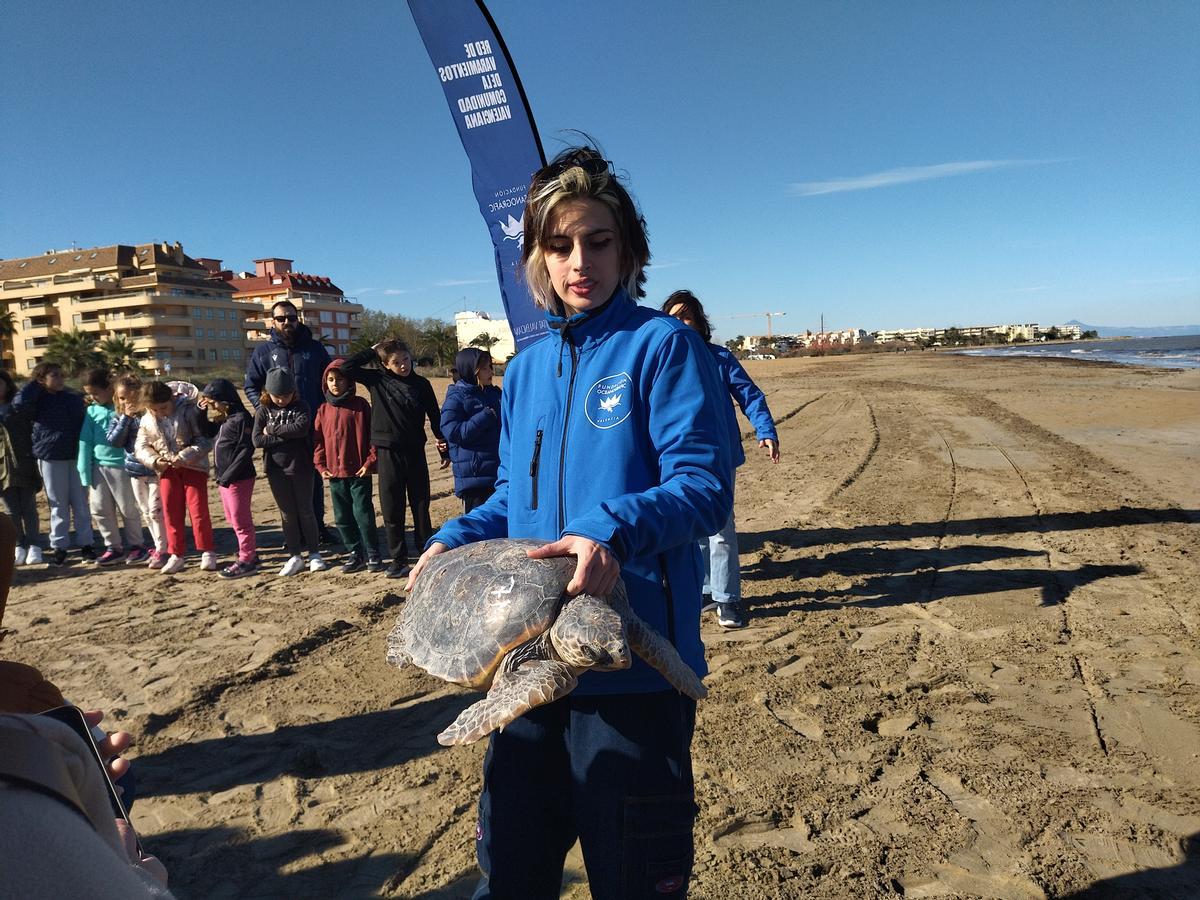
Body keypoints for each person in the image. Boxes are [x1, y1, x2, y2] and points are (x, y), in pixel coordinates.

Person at [406, 146, 731, 900]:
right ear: (538, 258)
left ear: (630, 249)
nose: (579, 260)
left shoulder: (666, 347)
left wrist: (610, 529)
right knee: (512, 881)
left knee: (633, 885)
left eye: (598, 240)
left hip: (632, 675)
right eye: (559, 245)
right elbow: (511, 510)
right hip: (520, 671)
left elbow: (705, 487)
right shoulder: (525, 370)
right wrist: (450, 538)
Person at [663, 290, 781, 629]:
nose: (680, 323)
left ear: (699, 322)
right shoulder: (663, 362)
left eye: (686, 316)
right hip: (677, 460)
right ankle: (703, 589)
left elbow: (749, 395)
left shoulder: (719, 358)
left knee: (721, 530)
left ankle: (727, 600)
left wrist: (766, 430)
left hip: (717, 457)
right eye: (673, 317)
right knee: (693, 531)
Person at [340, 339, 448, 579]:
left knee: (421, 505)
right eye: (396, 362)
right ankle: (398, 560)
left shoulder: (422, 384)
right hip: (387, 453)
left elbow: (434, 417)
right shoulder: (378, 380)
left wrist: (443, 446)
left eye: (406, 360)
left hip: (415, 452)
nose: (403, 366)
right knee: (392, 508)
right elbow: (346, 368)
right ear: (385, 365)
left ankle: (424, 551)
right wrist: (371, 349)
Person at [243, 299, 333, 544]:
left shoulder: (314, 349)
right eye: (281, 318)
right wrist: (263, 409)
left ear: (298, 319)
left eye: (291, 318)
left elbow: (328, 383)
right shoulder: (263, 351)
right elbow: (250, 385)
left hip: (312, 425)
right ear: (273, 321)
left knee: (313, 479)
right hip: (279, 430)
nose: (287, 322)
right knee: (284, 480)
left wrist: (328, 413)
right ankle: (293, 533)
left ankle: (318, 528)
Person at [13, 361, 93, 566]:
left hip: (75, 455)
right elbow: (19, 404)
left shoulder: (72, 398)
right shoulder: (36, 399)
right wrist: (35, 384)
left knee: (81, 502)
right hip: (50, 455)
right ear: (42, 379)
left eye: (60, 375)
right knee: (57, 503)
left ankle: (86, 544)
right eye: (54, 375)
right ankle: (60, 545)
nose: (60, 379)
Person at [134, 381, 216, 575]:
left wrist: (185, 456)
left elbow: (204, 441)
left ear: (172, 399)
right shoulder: (146, 420)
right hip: (167, 470)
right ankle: (176, 554)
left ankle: (207, 551)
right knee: (171, 512)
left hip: (194, 468)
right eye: (154, 409)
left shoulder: (188, 410)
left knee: (198, 510)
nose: (160, 412)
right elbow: (141, 446)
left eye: (163, 407)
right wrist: (155, 461)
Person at [252, 367, 327, 576]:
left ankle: (314, 554)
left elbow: (301, 429)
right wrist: (286, 435)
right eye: (277, 396)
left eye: (286, 396)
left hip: (301, 466)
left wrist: (273, 431)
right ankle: (295, 556)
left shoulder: (302, 406)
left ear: (293, 392)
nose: (282, 400)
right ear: (268, 393)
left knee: (306, 511)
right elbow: (257, 440)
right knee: (287, 514)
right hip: (275, 469)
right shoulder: (263, 410)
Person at [313, 359, 382, 573]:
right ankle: (355, 552)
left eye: (339, 379)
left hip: (359, 472)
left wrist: (370, 462)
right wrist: (321, 465)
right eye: (331, 380)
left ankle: (373, 553)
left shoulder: (361, 406)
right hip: (334, 473)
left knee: (363, 514)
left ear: (349, 381)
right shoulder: (323, 409)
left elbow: (373, 437)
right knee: (342, 517)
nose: (335, 384)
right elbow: (318, 442)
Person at [79, 368, 146, 566]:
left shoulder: (124, 409)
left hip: (122, 466)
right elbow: (85, 441)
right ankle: (113, 547)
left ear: (110, 388)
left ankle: (137, 545)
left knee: (128, 508)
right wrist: (84, 471)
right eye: (89, 394)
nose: (92, 397)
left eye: (96, 393)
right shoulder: (91, 411)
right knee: (100, 509)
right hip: (98, 468)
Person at [107, 375, 169, 568]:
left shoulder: (150, 415)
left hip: (154, 469)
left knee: (155, 510)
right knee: (145, 512)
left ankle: (163, 549)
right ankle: (160, 546)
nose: (127, 402)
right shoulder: (118, 417)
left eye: (131, 397)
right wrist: (126, 418)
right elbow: (114, 441)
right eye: (122, 398)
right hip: (134, 471)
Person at [199, 379, 259, 578]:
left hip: (239, 478)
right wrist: (202, 412)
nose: (213, 406)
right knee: (233, 519)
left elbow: (245, 450)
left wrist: (228, 476)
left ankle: (247, 560)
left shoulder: (242, 419)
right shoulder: (225, 419)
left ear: (226, 399)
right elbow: (206, 431)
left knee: (241, 520)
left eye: (214, 401)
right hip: (225, 479)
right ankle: (249, 553)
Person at [440, 347, 502, 514]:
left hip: (498, 473)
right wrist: (485, 417)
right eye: (484, 368)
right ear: (471, 370)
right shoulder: (456, 397)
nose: (490, 371)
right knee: (479, 531)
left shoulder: (494, 394)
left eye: (490, 366)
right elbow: (453, 432)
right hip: (475, 478)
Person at [0, 370, 44, 565]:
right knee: (11, 509)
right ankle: (19, 544)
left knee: (28, 507)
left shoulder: (18, 406)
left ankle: (35, 545)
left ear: (7, 385)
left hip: (23, 461)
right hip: (2, 467)